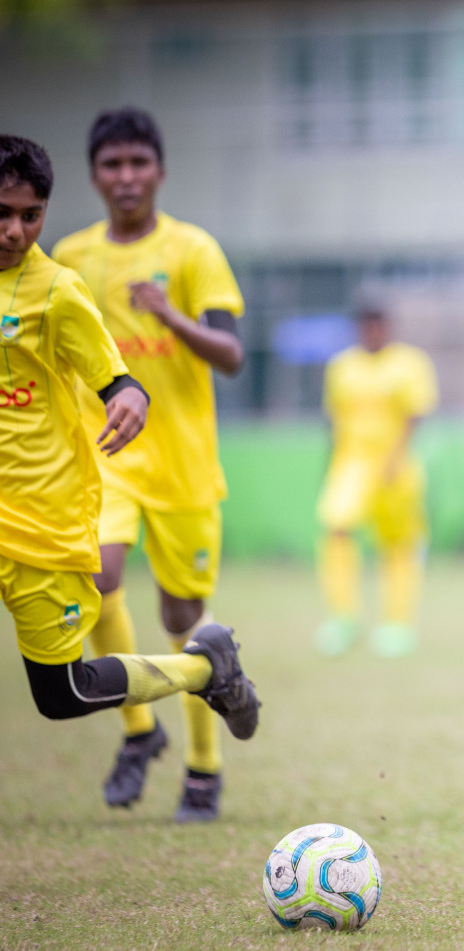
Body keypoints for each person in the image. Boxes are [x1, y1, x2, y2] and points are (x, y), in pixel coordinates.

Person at [0, 135, 259, 747]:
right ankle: (143, 736)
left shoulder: (60, 286)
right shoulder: (78, 251)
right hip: (100, 472)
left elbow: (121, 378)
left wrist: (131, 389)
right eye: (3, 214)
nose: (14, 230)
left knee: (64, 693)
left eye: (29, 216)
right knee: (109, 576)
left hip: (57, 510)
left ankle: (203, 681)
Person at [52, 108, 248, 822]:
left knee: (182, 617)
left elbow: (231, 356)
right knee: (96, 577)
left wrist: (169, 316)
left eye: (138, 163)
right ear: (94, 176)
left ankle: (203, 766)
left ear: (160, 172)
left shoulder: (194, 250)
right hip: (105, 458)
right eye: (112, 165)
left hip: (185, 468)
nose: (126, 177)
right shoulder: (68, 258)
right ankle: (139, 730)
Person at [314, 303, 438, 658]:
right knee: (336, 527)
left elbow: (416, 414)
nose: (372, 332)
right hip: (351, 464)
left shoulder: (410, 363)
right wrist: (330, 463)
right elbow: (334, 419)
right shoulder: (341, 367)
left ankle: (397, 625)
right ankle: (343, 618)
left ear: (388, 326)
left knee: (398, 544)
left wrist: (396, 457)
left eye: (378, 325)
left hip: (396, 467)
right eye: (366, 325)